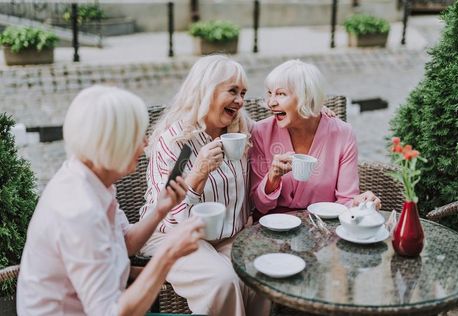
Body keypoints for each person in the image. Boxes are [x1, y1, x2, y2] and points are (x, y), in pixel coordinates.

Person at [16, 85, 204, 316]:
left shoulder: (91, 178)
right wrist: (168, 254)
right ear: (113, 142)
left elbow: (125, 243)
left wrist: (160, 210)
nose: (146, 143)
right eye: (137, 136)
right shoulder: (79, 212)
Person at [139, 55, 269, 316]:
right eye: (232, 91)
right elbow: (166, 215)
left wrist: (320, 117)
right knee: (222, 282)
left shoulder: (241, 129)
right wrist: (198, 174)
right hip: (172, 234)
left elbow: (281, 126)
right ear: (206, 90)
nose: (240, 101)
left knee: (260, 273)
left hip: (228, 235)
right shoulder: (176, 141)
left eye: (243, 93)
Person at [249, 59, 380, 218]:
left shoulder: (343, 134)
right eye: (270, 93)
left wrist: (359, 203)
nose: (271, 102)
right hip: (272, 228)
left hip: (322, 227)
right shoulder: (261, 132)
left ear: (307, 97)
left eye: (281, 94)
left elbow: (346, 200)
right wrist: (272, 177)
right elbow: (259, 205)